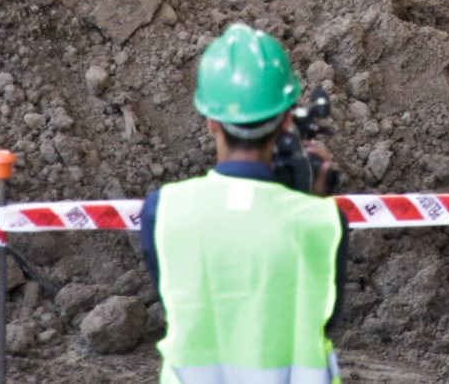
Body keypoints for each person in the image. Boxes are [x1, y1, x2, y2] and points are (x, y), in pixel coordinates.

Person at [136, 25, 346, 384]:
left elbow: (175, 296)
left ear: (211, 121)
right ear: (284, 120)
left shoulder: (164, 210)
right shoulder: (322, 222)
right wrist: (313, 201)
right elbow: (325, 315)